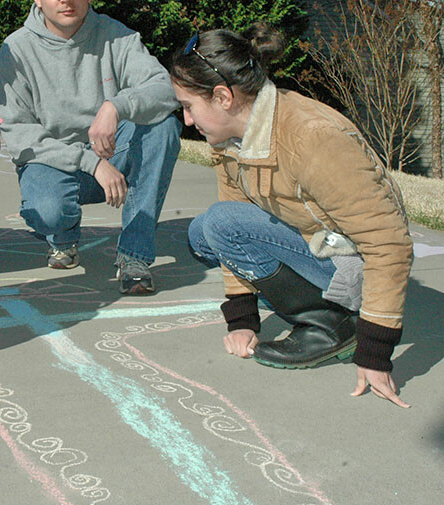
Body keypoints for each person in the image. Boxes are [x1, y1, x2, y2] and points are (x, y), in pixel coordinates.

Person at [167, 23, 413, 407]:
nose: (186, 120)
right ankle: (316, 303)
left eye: (188, 106)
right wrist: (243, 318)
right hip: (319, 240)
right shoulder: (233, 138)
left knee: (220, 224)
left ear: (222, 96)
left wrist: (375, 350)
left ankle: (334, 323)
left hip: (354, 261)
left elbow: (388, 244)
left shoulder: (313, 138)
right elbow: (238, 212)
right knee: (204, 232)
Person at [0, 0, 181, 295]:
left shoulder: (117, 36)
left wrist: (115, 106)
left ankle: (134, 255)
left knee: (163, 127)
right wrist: (90, 162)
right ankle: (62, 239)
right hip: (55, 162)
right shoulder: (16, 49)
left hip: (111, 153)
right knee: (47, 210)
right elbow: (17, 133)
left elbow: (165, 89)